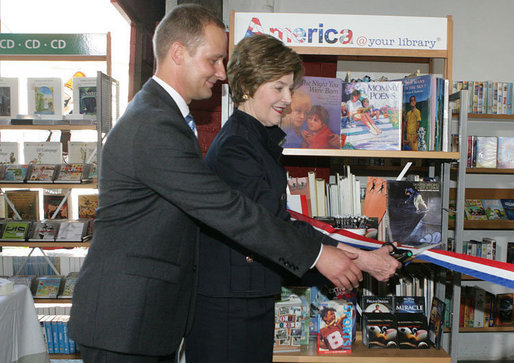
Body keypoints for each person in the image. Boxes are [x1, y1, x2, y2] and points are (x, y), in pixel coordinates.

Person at [68, 5, 373, 362]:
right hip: (126, 319)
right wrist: (319, 254)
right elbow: (226, 209)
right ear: (178, 52)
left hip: (144, 316)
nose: (221, 73)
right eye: (213, 60)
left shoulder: (162, 115)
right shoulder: (154, 124)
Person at [185, 34, 401, 362]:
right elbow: (271, 230)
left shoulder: (255, 140)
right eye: (278, 87)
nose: (287, 98)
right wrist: (363, 260)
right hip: (229, 309)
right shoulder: (237, 148)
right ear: (246, 87)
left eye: (290, 88)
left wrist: (360, 254)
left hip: (247, 298)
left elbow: (281, 225)